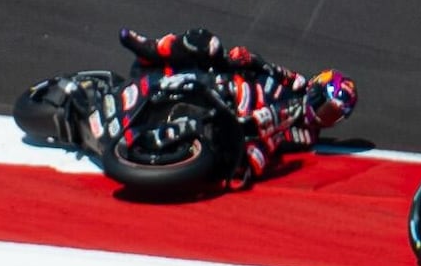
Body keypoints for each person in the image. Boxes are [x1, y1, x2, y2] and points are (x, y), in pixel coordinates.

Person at [118, 28, 357, 186]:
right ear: (316, 88)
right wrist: (246, 58)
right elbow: (265, 66)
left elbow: (275, 144)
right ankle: (150, 48)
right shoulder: (296, 83)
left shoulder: (307, 135)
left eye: (334, 115)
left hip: (238, 119)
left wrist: (251, 157)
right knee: (207, 42)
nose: (325, 117)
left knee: (249, 163)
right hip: (229, 84)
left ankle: (179, 151)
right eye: (327, 107)